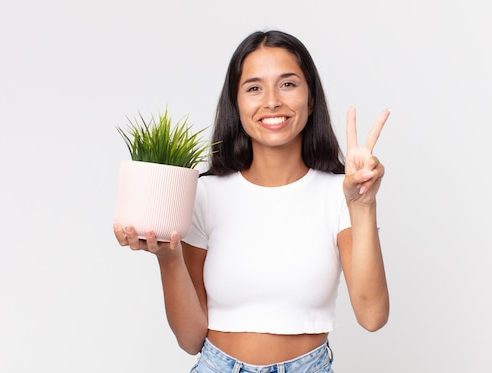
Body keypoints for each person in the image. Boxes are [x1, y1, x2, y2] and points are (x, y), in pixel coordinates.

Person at [113, 29, 390, 372]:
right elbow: (189, 339)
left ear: (311, 98)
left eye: (288, 84)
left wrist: (362, 206)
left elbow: (372, 316)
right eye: (254, 88)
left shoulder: (339, 195)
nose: (272, 101)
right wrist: (169, 259)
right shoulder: (204, 194)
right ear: (236, 102)